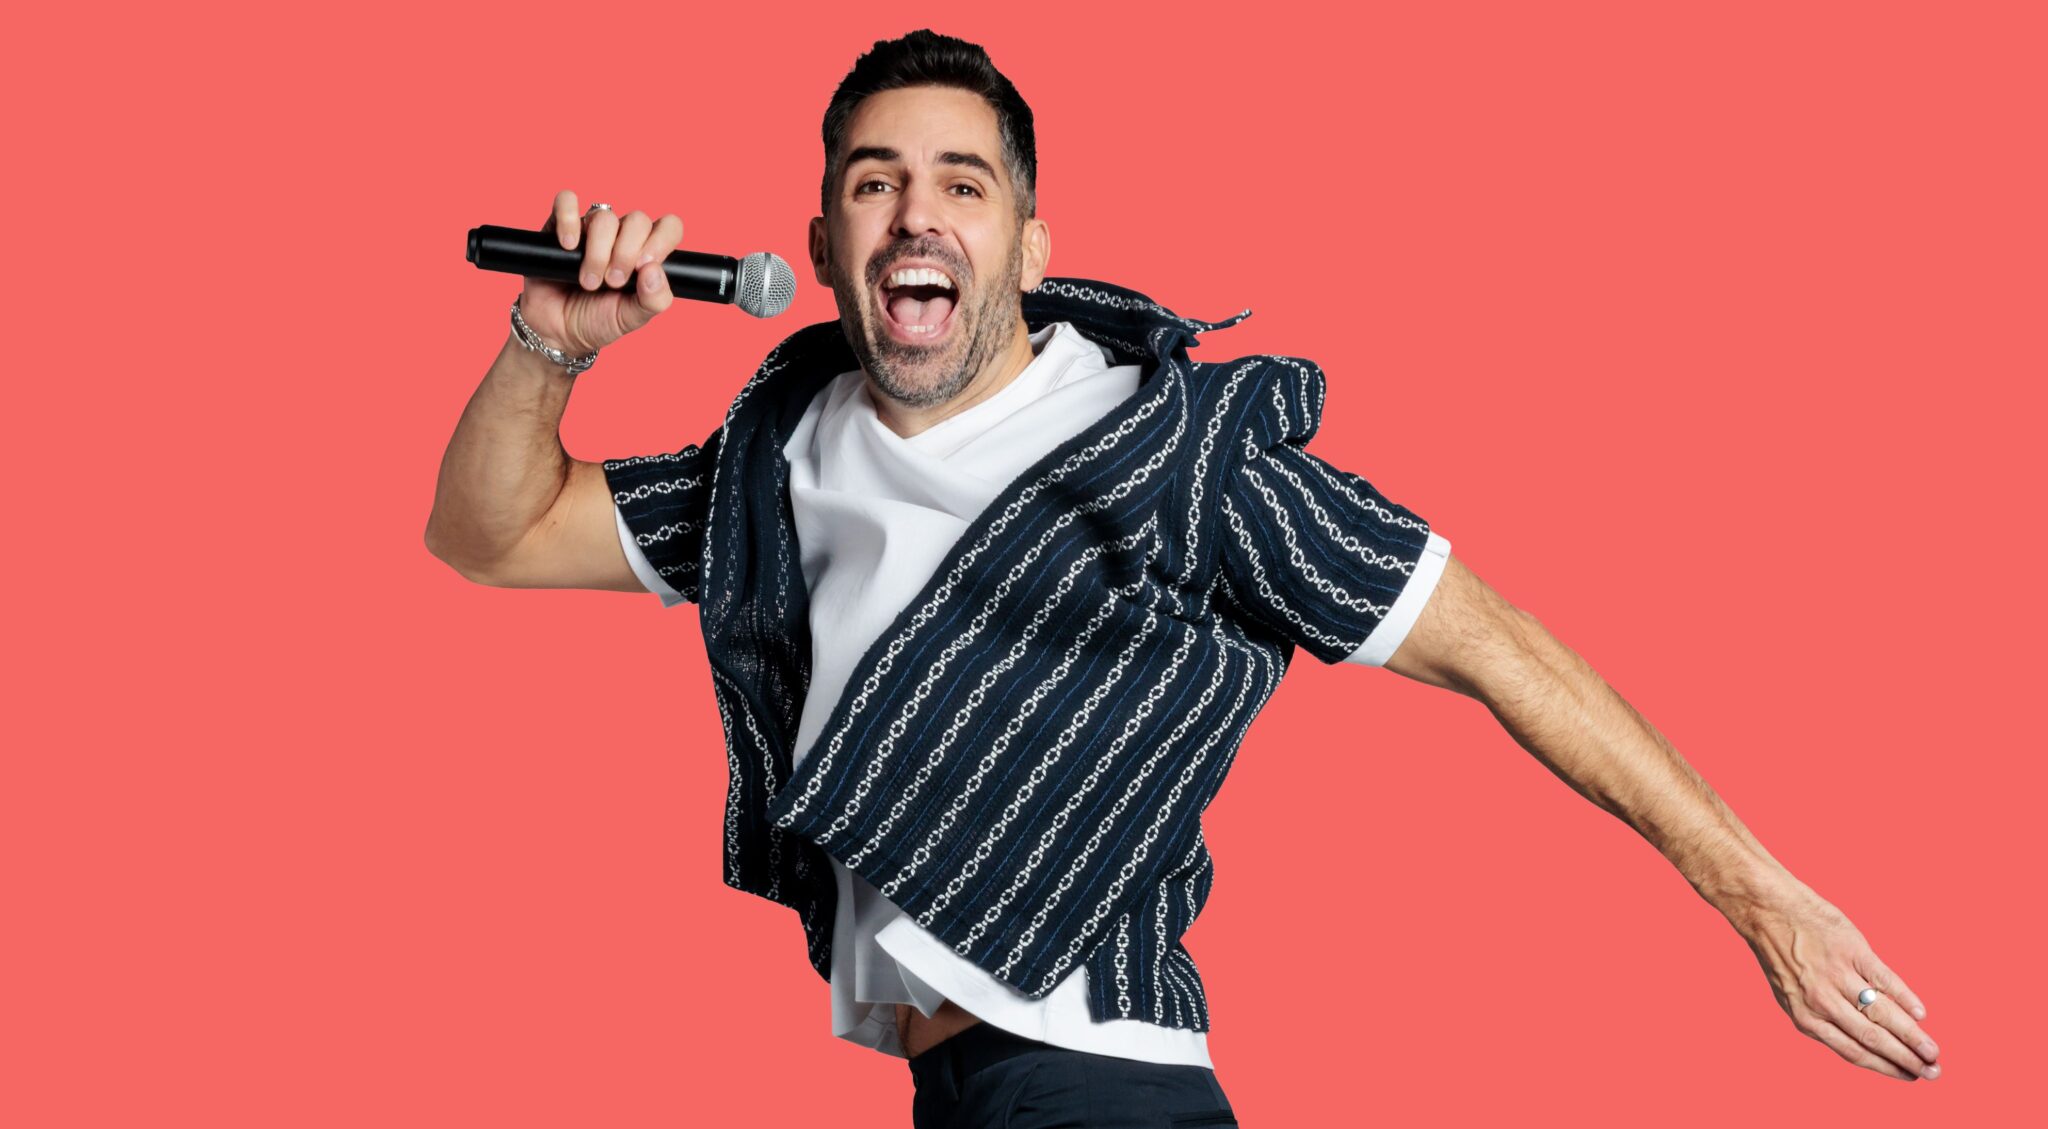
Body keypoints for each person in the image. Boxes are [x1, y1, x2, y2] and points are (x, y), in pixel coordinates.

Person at [424, 28, 1941, 1126]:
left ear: (1030, 245)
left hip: (1095, 1077)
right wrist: (551, 337)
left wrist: (1764, 901)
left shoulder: (1175, 457)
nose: (917, 213)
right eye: (876, 183)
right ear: (822, 246)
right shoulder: (779, 457)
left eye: (963, 184)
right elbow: (494, 534)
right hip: (949, 1086)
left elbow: (1498, 647)